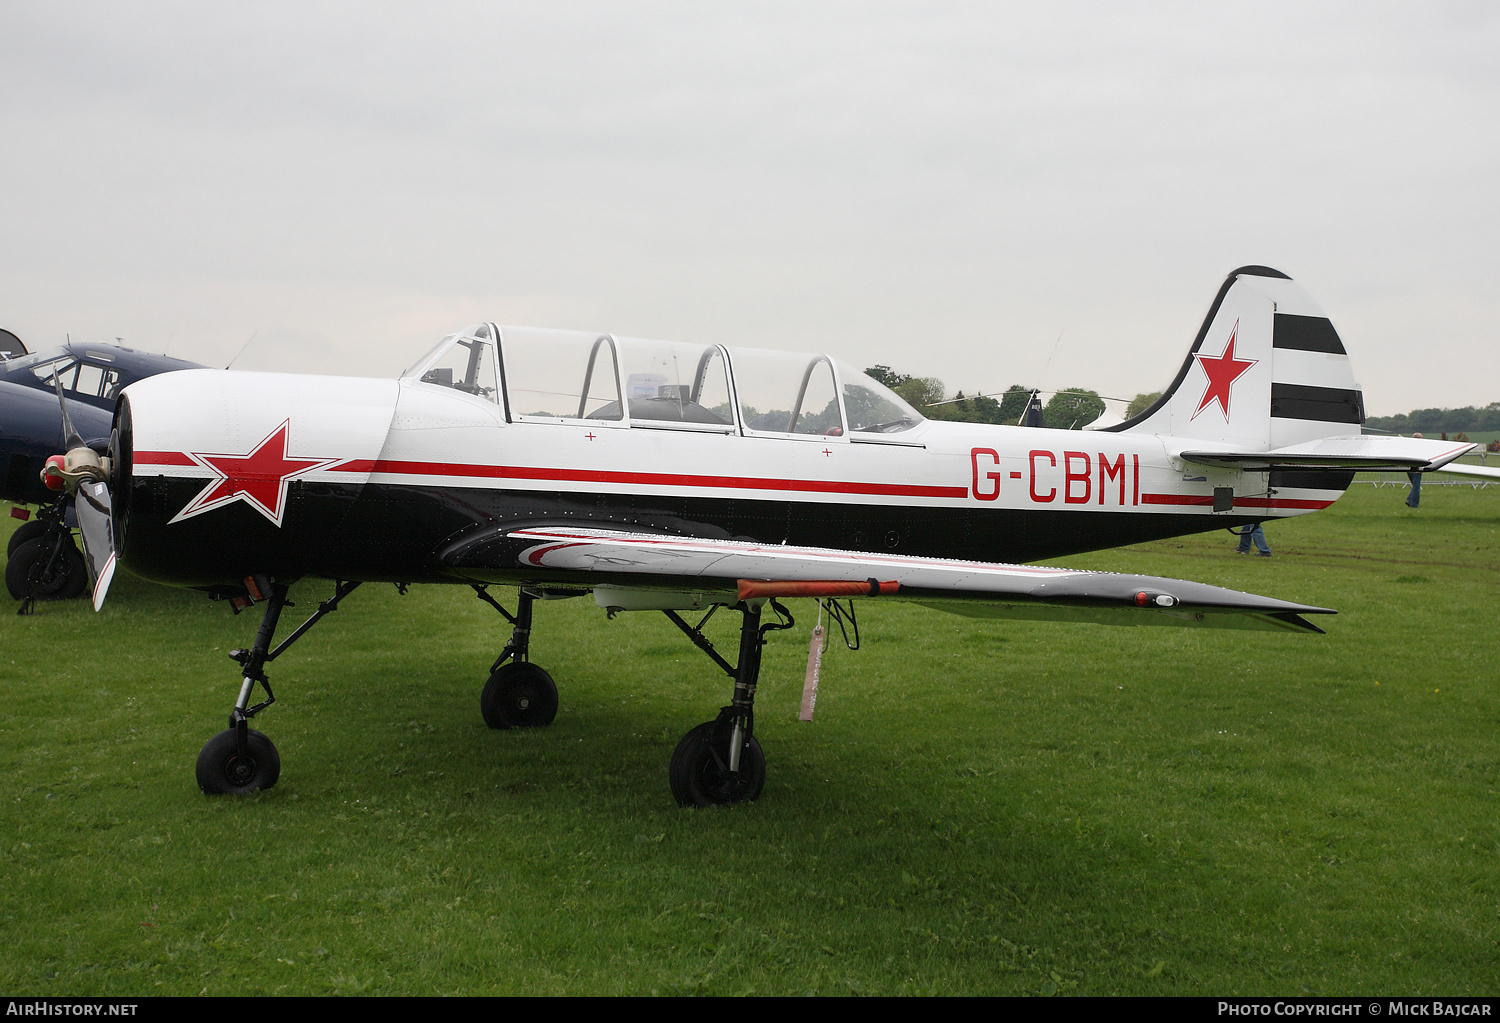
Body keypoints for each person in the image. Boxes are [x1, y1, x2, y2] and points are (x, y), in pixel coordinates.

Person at [1407, 433, 1423, 508]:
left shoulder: (1410, 447)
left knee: (1415, 486)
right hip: (1416, 469)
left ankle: (1409, 499)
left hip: (1409, 469)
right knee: (1416, 487)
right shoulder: (1419, 448)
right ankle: (1413, 504)